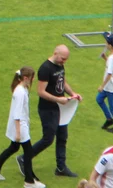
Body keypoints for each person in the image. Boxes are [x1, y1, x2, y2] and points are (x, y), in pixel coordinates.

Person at [31, 45, 83, 178]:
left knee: (62, 137)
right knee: (48, 139)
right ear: (55, 53)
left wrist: (73, 93)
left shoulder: (59, 65)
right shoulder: (45, 68)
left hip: (61, 109)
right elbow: (40, 92)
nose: (64, 62)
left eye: (66, 60)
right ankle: (25, 157)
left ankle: (61, 167)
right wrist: (58, 99)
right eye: (62, 59)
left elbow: (62, 81)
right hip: (48, 109)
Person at [0, 66, 40, 185]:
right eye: (32, 78)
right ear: (25, 78)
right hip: (20, 127)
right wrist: (18, 132)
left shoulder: (22, 88)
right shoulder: (20, 92)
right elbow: (17, 114)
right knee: (28, 152)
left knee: (14, 147)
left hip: (21, 125)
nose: (33, 80)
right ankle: (29, 181)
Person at [97, 33, 113, 133]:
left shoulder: (112, 58)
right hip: (110, 85)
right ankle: (109, 119)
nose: (105, 44)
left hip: (110, 86)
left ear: (110, 45)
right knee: (99, 99)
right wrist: (105, 58)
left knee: (112, 105)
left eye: (107, 42)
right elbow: (112, 66)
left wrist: (102, 86)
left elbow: (109, 73)